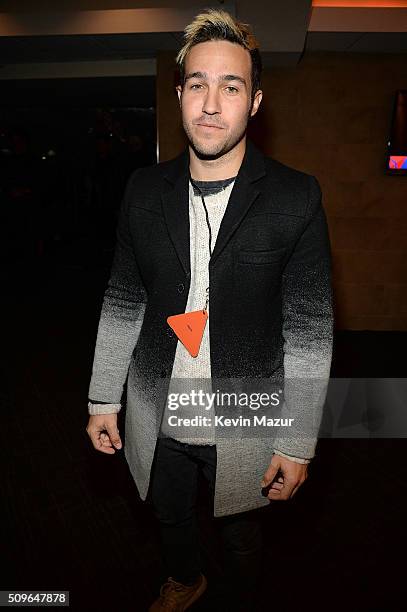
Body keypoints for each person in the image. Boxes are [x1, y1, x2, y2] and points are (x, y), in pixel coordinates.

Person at [86, 9, 333, 612]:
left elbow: (308, 332)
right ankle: (184, 578)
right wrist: (102, 397)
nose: (211, 102)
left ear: (254, 102)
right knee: (168, 512)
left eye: (231, 85)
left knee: (243, 534)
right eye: (197, 83)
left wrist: (297, 442)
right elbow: (123, 298)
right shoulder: (143, 191)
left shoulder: (295, 196)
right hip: (159, 407)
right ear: (179, 95)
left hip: (246, 411)